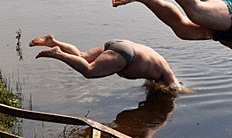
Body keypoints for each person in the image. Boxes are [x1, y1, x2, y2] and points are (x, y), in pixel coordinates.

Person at [29, 35, 181, 91]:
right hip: (126, 54)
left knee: (82, 56)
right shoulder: (167, 74)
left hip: (120, 43)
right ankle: (58, 53)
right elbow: (174, 88)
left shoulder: (159, 64)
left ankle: (52, 41)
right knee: (89, 70)